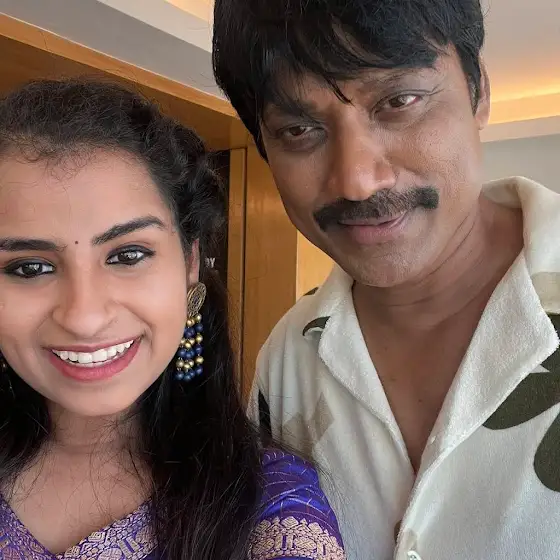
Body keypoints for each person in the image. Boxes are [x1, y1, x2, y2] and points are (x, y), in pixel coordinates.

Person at [212, 0, 560, 559]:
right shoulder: (289, 355)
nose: (356, 180)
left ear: (479, 91)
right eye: (299, 129)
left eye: (399, 102)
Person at [0, 79, 346, 560]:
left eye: (128, 255)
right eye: (29, 268)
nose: (84, 317)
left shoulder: (273, 505)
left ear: (190, 263)